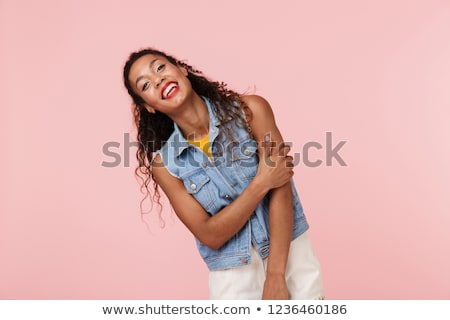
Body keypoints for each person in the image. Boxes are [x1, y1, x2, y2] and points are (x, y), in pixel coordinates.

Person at [122, 48, 324, 300]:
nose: (158, 80)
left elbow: (281, 186)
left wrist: (275, 276)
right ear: (148, 106)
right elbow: (210, 235)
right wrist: (260, 183)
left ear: (181, 69)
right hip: (233, 280)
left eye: (160, 68)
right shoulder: (165, 165)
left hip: (292, 258)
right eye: (145, 85)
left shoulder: (251, 111)